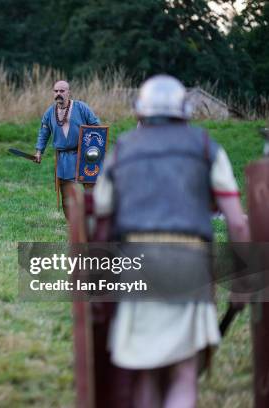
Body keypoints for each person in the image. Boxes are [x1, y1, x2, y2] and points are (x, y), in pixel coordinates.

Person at [92, 74, 249, 407]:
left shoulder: (123, 149)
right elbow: (237, 222)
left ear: (140, 113)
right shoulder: (206, 146)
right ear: (185, 112)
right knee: (183, 372)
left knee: (147, 373)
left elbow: (100, 212)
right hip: (188, 263)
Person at [34, 80, 100, 218]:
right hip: (63, 158)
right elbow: (43, 133)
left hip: (84, 156)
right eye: (56, 91)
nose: (58, 94)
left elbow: (96, 126)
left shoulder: (81, 107)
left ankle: (92, 217)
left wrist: (94, 148)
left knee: (90, 190)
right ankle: (72, 223)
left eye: (62, 91)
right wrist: (39, 151)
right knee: (67, 193)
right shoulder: (49, 113)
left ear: (69, 92)